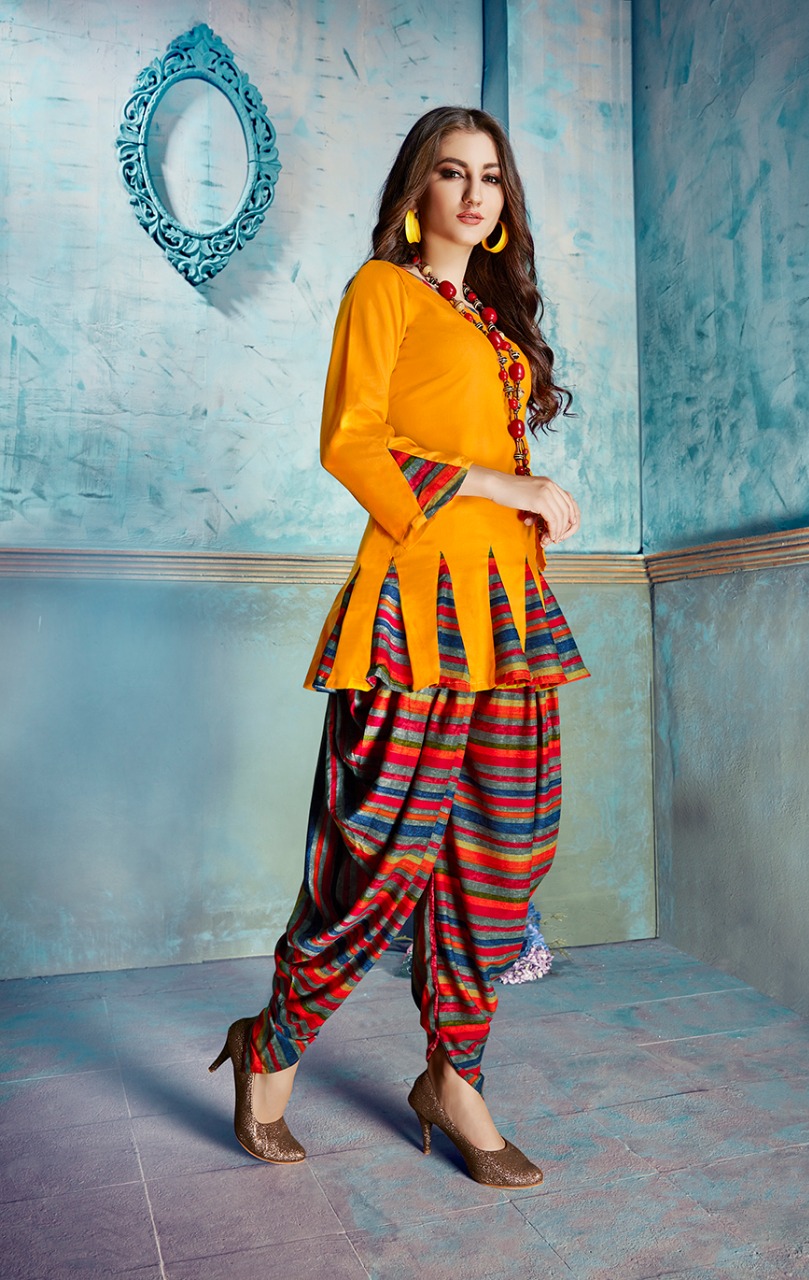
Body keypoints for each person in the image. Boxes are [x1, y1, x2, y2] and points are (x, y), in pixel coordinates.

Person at [209, 105, 589, 1190]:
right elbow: (352, 440)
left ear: (503, 204)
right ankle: (272, 1044)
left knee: (502, 852)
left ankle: (454, 1079)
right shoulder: (381, 290)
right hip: (414, 612)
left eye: (490, 176)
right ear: (416, 190)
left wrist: (525, 502)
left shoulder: (493, 324)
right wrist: (500, 482)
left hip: (508, 616)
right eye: (452, 172)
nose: (474, 192)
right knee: (379, 851)